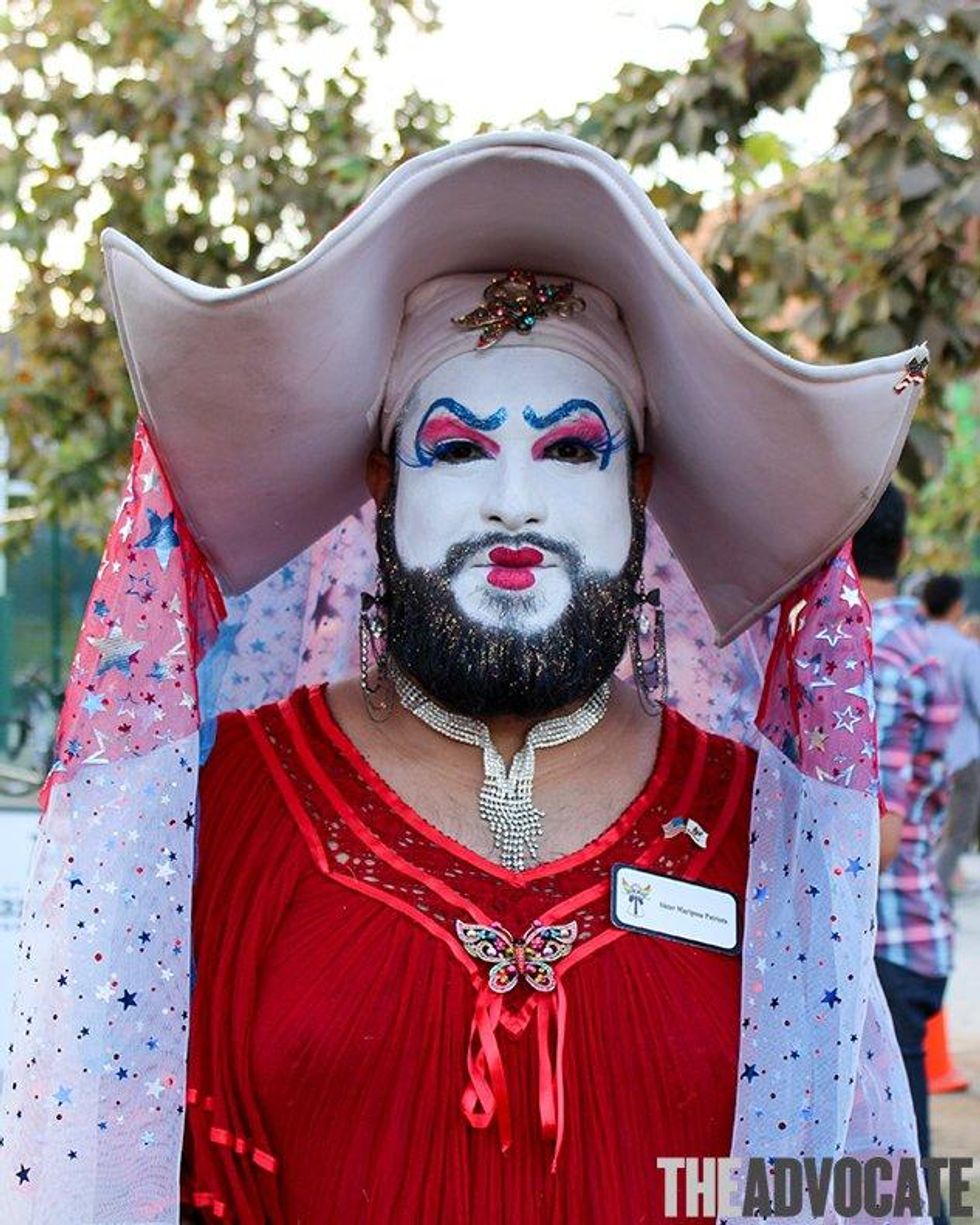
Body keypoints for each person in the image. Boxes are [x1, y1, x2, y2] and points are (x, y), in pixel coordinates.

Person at [1, 133, 933, 1224]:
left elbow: (835, 1177)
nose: (512, 503)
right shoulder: (223, 811)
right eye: (454, 449)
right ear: (381, 485)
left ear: (638, 487)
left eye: (569, 450)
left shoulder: (760, 833)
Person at [853, 487, 960, 1225]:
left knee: (898, 1186)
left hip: (879, 936)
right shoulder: (926, 647)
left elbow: (875, 835)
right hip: (917, 925)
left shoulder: (870, 651)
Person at [921, 573, 980, 893]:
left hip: (918, 754)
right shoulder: (966, 650)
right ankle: (936, 895)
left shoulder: (914, 641)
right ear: (957, 606)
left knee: (922, 830)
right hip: (962, 753)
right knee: (957, 834)